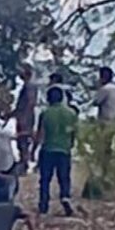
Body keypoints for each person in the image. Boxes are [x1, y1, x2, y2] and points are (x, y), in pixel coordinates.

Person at [35, 85, 78, 216]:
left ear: (48, 99)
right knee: (64, 177)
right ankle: (65, 196)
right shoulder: (71, 113)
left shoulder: (45, 113)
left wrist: (33, 150)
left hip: (48, 149)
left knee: (45, 179)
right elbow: (73, 133)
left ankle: (44, 205)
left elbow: (41, 133)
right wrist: (70, 145)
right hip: (64, 149)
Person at [14, 65, 38, 167]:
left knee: (23, 139)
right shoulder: (27, 86)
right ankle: (23, 160)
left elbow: (30, 102)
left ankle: (24, 162)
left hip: (25, 117)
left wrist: (22, 116)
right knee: (22, 140)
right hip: (23, 116)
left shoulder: (30, 87)